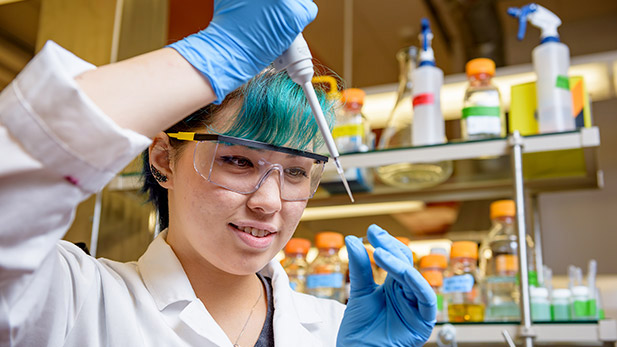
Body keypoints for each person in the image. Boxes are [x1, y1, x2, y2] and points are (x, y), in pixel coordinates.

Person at [0, 1, 436, 346]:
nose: (269, 202)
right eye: (239, 161)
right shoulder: (75, 300)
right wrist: (214, 52)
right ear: (164, 160)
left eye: (297, 172)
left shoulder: (333, 329)